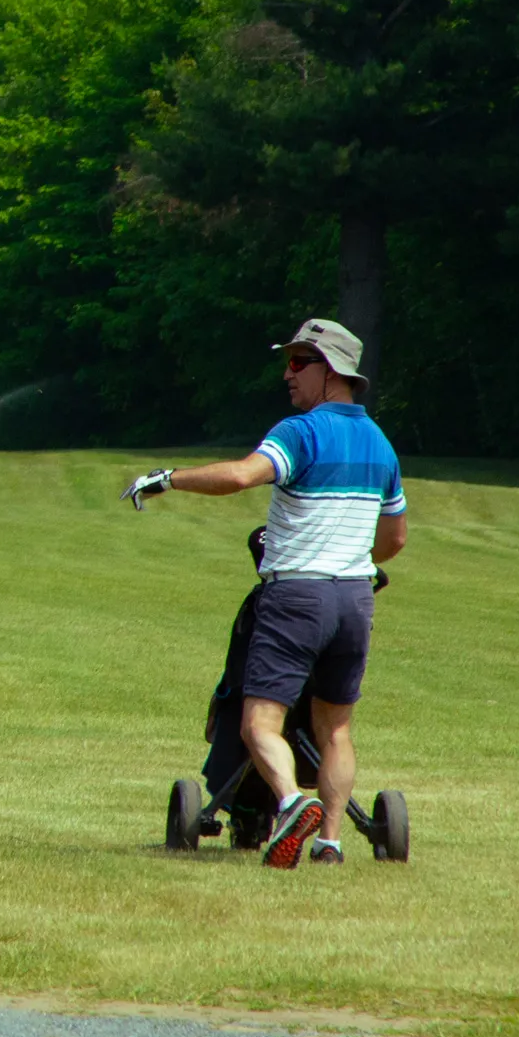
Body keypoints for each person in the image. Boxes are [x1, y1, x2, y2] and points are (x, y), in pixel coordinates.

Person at [121, 317, 405, 868]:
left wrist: (169, 478)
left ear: (331, 371)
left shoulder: (300, 432)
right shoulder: (382, 446)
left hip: (296, 595)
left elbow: (241, 476)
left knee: (258, 723)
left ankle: (292, 803)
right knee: (335, 728)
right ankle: (330, 843)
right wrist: (353, 559)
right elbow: (393, 539)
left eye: (299, 362)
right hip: (355, 601)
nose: (287, 373)